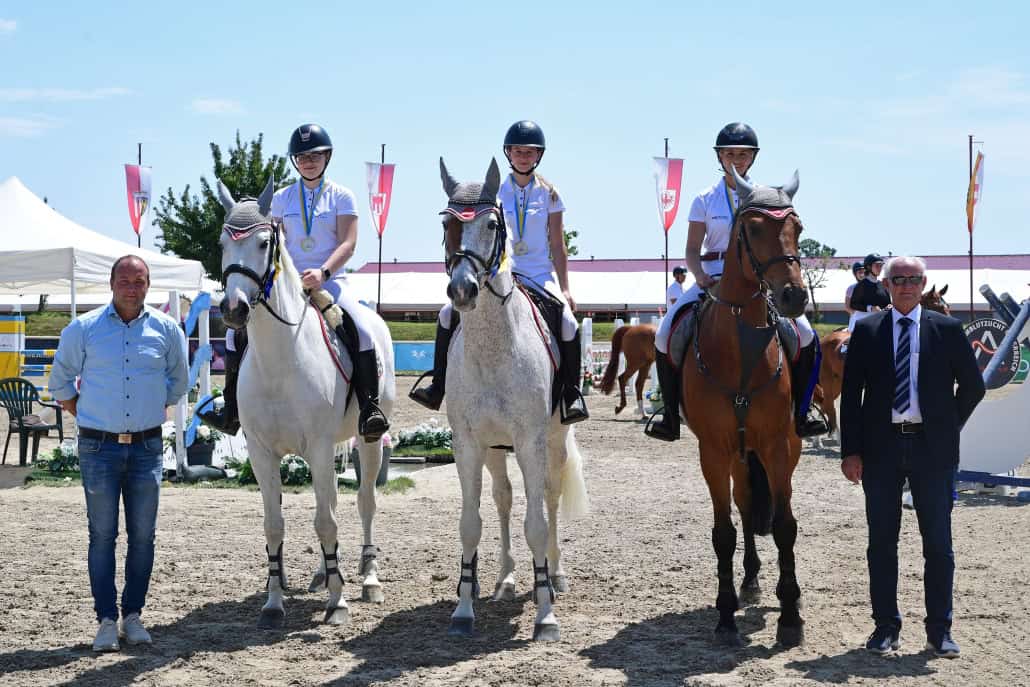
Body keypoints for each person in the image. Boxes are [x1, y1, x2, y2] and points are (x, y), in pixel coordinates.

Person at [199, 123, 388, 442]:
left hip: (331, 281)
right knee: (235, 337)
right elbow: (272, 242)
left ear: (327, 157)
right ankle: (231, 408)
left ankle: (369, 407)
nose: (308, 161)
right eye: (301, 157)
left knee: (363, 329)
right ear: (294, 161)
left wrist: (323, 273)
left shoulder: (342, 196)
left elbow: (348, 243)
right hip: (286, 285)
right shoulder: (282, 199)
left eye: (314, 155)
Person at [841, 256, 984, 658]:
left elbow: (973, 387)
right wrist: (851, 451)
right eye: (898, 279)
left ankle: (940, 630)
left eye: (913, 279)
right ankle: (885, 626)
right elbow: (851, 396)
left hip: (932, 449)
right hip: (881, 449)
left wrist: (945, 425)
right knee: (881, 542)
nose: (906, 285)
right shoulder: (868, 330)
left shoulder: (949, 329)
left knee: (938, 543)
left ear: (924, 284)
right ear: (886, 284)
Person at [647, 122, 825, 441]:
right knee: (664, 333)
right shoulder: (704, 199)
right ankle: (669, 414)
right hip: (711, 278)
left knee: (806, 335)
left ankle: (804, 409)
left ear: (752, 157)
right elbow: (691, 248)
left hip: (758, 284)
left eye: (743, 154)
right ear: (719, 156)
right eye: (730, 154)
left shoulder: (769, 199)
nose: (736, 160)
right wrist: (699, 274)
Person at [49, 255, 189, 652]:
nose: (132, 287)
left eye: (139, 281)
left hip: (146, 447)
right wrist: (87, 411)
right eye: (124, 280)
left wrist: (153, 405)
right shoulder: (84, 329)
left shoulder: (167, 330)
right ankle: (106, 620)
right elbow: (60, 381)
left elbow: (178, 381)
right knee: (102, 535)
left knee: (143, 536)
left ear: (149, 284)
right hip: (98, 447)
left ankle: (133, 614)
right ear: (111, 283)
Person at [410, 119, 588, 424]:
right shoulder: (493, 192)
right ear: (508, 153)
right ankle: (437, 385)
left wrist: (566, 287)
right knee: (445, 314)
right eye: (517, 151)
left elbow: (558, 246)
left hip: (539, 273)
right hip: (501, 270)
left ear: (538, 155)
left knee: (569, 323)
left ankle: (571, 394)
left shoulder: (552, 194)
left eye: (529, 151)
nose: (523, 156)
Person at [848, 253, 890, 331]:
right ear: (869, 267)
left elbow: (888, 304)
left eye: (881, 266)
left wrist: (887, 309)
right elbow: (853, 304)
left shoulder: (882, 285)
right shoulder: (861, 285)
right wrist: (870, 308)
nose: (880, 268)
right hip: (862, 322)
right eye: (877, 265)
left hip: (880, 321)